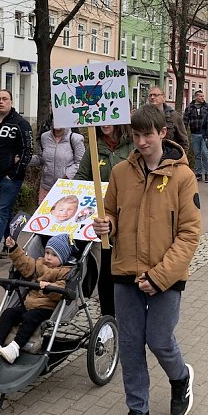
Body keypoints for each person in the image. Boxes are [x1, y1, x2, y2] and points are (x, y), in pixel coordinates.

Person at [92, 104, 200, 415]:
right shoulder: (121, 173)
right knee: (131, 345)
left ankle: (181, 377)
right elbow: (109, 212)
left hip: (166, 276)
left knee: (159, 339)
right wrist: (105, 225)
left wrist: (159, 276)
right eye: (136, 135)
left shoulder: (183, 177)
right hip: (125, 271)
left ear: (162, 134)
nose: (141, 142)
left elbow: (189, 233)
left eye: (147, 135)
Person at [0, 234, 73, 363]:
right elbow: (25, 263)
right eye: (47, 252)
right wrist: (14, 248)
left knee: (30, 318)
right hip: (28, 304)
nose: (49, 257)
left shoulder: (64, 272)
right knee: (9, 313)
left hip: (47, 308)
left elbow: (62, 289)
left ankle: (15, 347)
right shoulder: (39, 264)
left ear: (63, 257)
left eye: (54, 255)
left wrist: (50, 286)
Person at [75, 124, 135, 318]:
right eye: (100, 120)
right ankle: (108, 319)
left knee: (130, 271)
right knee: (107, 272)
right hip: (105, 222)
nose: (105, 124)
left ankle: (132, 317)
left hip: (130, 220)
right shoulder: (94, 145)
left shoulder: (132, 145)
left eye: (109, 118)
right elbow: (81, 179)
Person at [0, 89, 33, 254]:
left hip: (10, 178)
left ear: (11, 101)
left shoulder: (20, 124)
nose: (1, 102)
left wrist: (13, 174)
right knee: (4, 211)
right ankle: (10, 245)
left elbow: (27, 151)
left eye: (4, 99)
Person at [30, 123, 85, 203]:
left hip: (66, 188)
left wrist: (67, 175)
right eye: (54, 118)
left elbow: (81, 162)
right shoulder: (44, 137)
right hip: (46, 187)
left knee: (63, 213)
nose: (57, 121)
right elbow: (41, 159)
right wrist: (24, 160)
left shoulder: (75, 139)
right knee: (44, 214)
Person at [183, 90, 208, 182]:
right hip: (194, 134)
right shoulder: (189, 108)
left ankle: (207, 173)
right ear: (195, 97)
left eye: (203, 96)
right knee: (197, 154)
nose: (202, 98)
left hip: (205, 134)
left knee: (205, 153)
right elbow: (185, 121)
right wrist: (183, 133)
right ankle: (198, 173)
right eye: (200, 96)